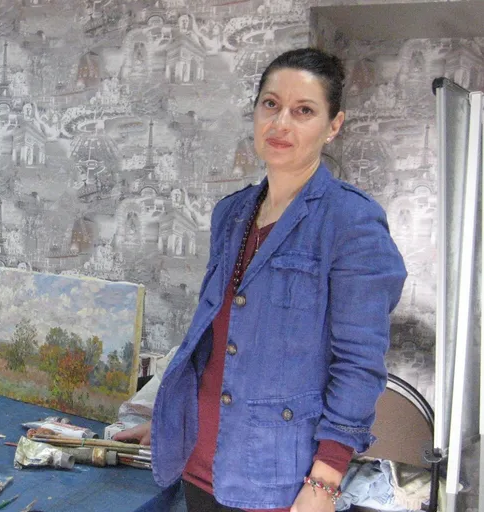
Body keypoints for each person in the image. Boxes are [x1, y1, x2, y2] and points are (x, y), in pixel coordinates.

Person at [113, 48, 407, 512]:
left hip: (276, 477)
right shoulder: (231, 213)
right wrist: (175, 420)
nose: (281, 123)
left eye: (303, 111)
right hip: (198, 462)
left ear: (333, 126)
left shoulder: (351, 221)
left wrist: (325, 480)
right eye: (270, 104)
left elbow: (358, 364)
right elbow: (215, 337)